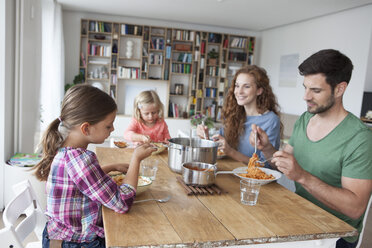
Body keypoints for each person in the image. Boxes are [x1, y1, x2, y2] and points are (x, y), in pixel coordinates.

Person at [251, 49, 372, 248]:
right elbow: (285, 164)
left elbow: (355, 208)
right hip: (299, 218)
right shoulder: (305, 119)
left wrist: (302, 177)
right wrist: (267, 149)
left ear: (340, 89)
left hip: (335, 234)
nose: (305, 97)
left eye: (315, 90)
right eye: (305, 88)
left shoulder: (360, 138)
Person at [33, 84, 156, 247]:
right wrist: (136, 160)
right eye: (108, 125)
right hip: (75, 242)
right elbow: (122, 202)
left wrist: (111, 166)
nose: (112, 129)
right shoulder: (81, 160)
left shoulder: (64, 149)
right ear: (86, 128)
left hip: (59, 236)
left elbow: (78, 183)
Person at [197, 65, 282, 164]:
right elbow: (219, 144)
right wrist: (206, 137)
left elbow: (266, 166)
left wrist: (230, 151)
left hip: (252, 178)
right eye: (237, 86)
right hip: (230, 172)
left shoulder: (271, 120)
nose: (239, 91)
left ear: (259, 90)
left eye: (246, 86)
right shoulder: (234, 114)